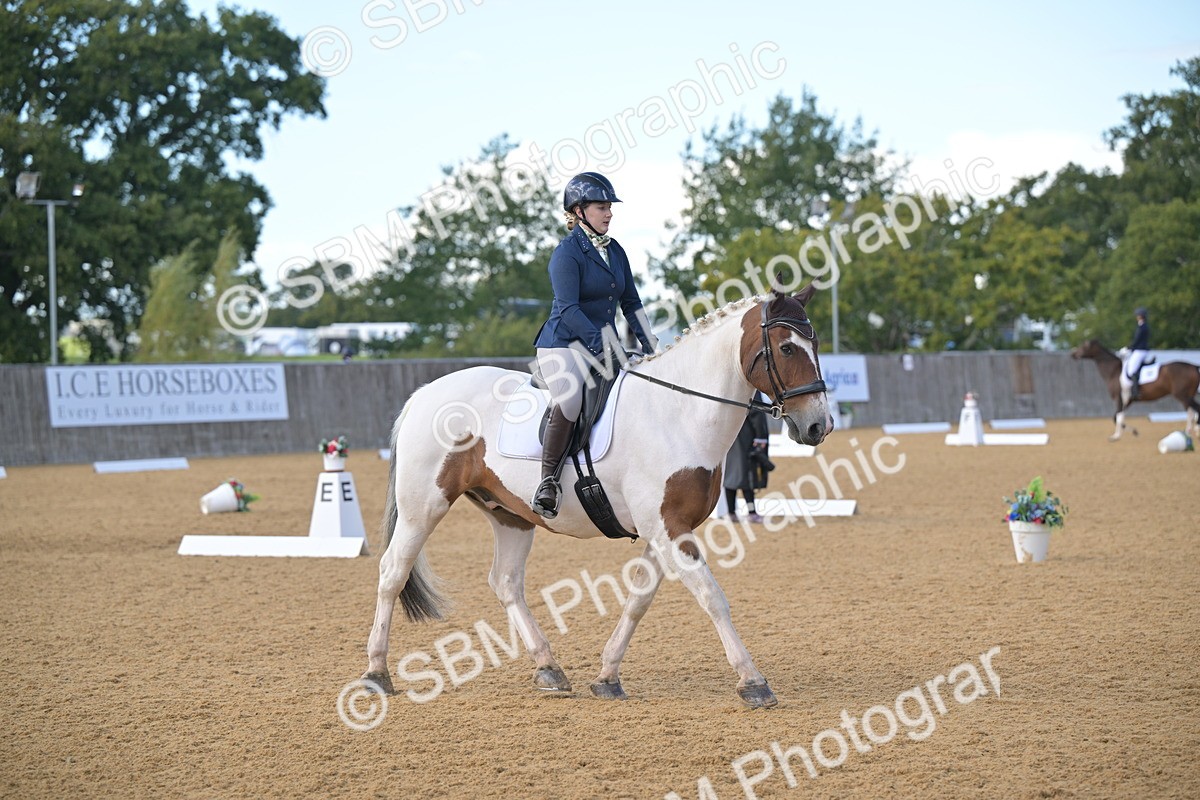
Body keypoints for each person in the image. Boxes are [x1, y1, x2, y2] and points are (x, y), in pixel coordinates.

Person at [530, 172, 657, 518]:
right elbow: (569, 310)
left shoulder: (615, 251)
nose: (609, 213)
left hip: (602, 344)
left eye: (609, 207)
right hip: (562, 344)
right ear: (579, 210)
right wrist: (605, 346)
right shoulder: (566, 255)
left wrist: (651, 345)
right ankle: (549, 482)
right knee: (570, 397)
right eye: (602, 207)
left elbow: (631, 303)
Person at [723, 406, 772, 524]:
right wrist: (761, 437)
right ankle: (752, 512)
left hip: (729, 435)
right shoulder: (754, 391)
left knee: (730, 476)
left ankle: (731, 512)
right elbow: (757, 412)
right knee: (747, 477)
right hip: (746, 436)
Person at [1123, 307, 1151, 400]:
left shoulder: (1142, 327)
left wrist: (1130, 347)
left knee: (1132, 370)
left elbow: (1137, 340)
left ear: (1140, 316)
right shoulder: (1144, 326)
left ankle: (1135, 392)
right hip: (1142, 350)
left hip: (1140, 350)